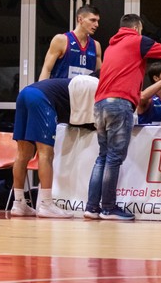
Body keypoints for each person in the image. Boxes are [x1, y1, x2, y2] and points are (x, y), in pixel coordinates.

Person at [84, 14, 161, 221]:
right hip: (120, 103)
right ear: (137, 28)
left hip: (100, 104)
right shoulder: (138, 41)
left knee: (103, 157)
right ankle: (108, 208)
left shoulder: (111, 47)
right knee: (113, 158)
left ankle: (92, 208)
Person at [11, 74, 99, 218]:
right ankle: (46, 204)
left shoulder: (77, 83)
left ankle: (18, 203)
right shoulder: (95, 85)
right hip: (41, 98)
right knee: (46, 154)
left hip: (25, 93)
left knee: (22, 154)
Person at [39, 4, 102, 80]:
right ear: (80, 19)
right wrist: (40, 87)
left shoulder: (96, 45)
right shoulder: (61, 40)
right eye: (92, 20)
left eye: (97, 21)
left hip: (85, 87)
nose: (96, 25)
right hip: (62, 87)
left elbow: (100, 75)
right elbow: (46, 70)